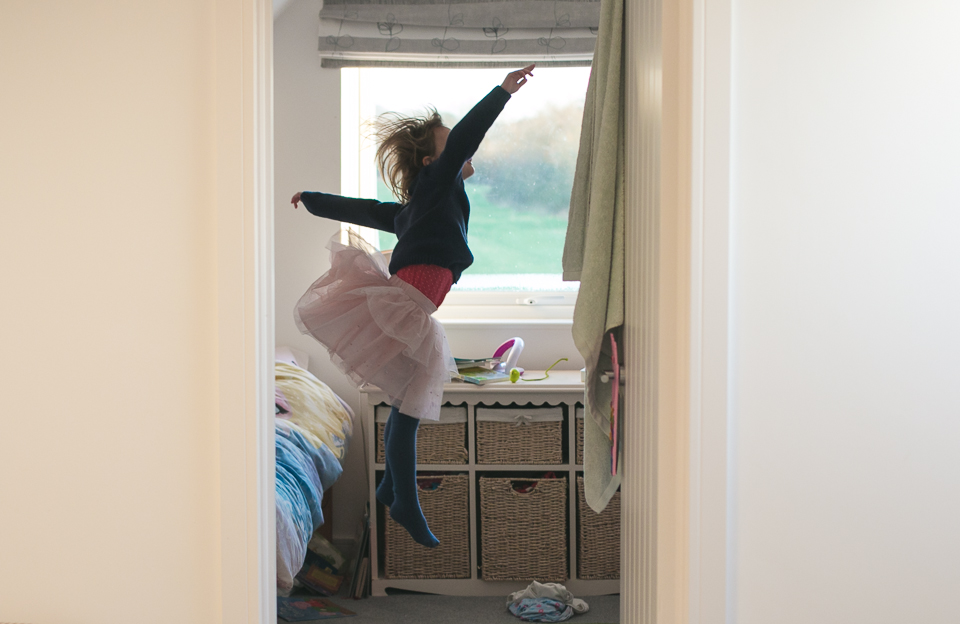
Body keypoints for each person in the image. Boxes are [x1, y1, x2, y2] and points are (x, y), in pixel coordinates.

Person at [291, 65, 534, 547]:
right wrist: (501, 93)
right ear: (430, 162)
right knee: (409, 406)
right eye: (451, 147)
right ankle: (403, 498)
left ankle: (388, 486)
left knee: (407, 402)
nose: (465, 152)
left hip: (412, 307)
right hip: (406, 304)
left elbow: (363, 208)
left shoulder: (416, 208)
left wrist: (313, 199)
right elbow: (465, 137)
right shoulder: (435, 187)